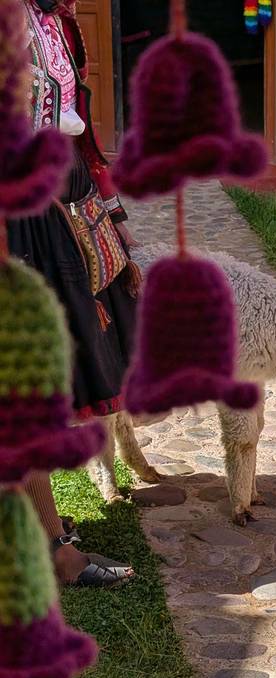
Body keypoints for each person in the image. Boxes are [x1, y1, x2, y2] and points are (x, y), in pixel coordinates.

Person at [9, 0, 137, 587]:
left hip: (58, 206)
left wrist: (111, 214)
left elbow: (75, 122)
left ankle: (46, 537)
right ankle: (50, 549)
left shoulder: (52, 17)